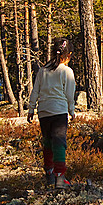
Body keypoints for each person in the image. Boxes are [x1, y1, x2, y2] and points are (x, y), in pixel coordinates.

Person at [28, 38, 76, 189]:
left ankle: (49, 175)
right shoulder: (66, 71)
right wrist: (72, 110)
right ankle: (60, 177)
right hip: (59, 111)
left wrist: (31, 109)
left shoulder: (43, 71)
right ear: (67, 56)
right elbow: (69, 93)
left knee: (48, 142)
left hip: (43, 112)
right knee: (59, 143)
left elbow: (35, 91)